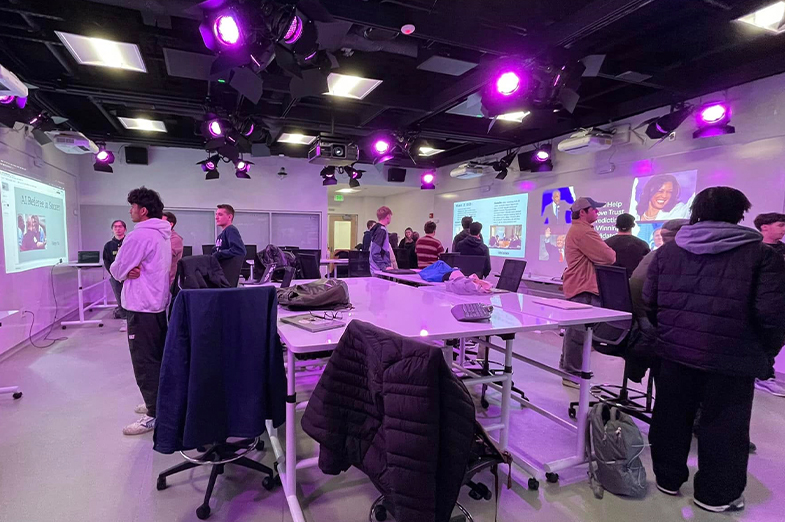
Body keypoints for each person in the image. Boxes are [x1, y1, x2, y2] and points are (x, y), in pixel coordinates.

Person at [643, 187, 785, 513]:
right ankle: (715, 496)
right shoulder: (762, 256)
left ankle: (667, 478)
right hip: (732, 358)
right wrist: (765, 354)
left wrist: (668, 335)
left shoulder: (667, 253)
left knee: (671, 416)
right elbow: (772, 315)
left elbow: (649, 302)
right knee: (725, 425)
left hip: (675, 352)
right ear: (740, 214)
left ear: (697, 211)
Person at [109, 187, 172, 436]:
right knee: (157, 358)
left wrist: (125, 271)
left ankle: (154, 414)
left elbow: (117, 269)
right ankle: (156, 403)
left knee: (144, 362)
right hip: (157, 305)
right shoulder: (163, 234)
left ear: (143, 210)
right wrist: (129, 269)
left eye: (133, 207)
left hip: (141, 306)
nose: (130, 211)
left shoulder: (138, 236)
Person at [560, 197, 616, 387]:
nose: (598, 213)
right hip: (584, 287)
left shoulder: (578, 230)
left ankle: (568, 369)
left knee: (575, 332)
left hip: (579, 285)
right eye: (595, 210)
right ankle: (572, 373)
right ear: (583, 212)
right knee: (579, 333)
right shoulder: (584, 232)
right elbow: (609, 257)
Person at [752, 212, 785, 397]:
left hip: (779, 305)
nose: (783, 230)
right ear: (765, 227)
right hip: (759, 304)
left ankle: (763, 374)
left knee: (775, 340)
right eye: (780, 225)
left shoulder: (782, 250)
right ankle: (762, 375)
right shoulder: (752, 251)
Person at [605, 213, 651, 277]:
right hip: (633, 283)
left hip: (610, 281)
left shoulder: (605, 244)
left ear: (616, 226)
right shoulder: (643, 245)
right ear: (633, 225)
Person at [103, 219, 128, 328]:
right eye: (115, 227)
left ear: (125, 229)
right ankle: (124, 320)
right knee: (120, 299)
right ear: (112, 230)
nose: (118, 229)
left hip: (129, 277)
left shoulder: (129, 242)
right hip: (115, 278)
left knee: (130, 299)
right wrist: (115, 275)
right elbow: (107, 261)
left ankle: (131, 322)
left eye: (120, 226)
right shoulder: (108, 245)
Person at [162, 211, 184, 287]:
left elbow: (164, 256)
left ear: (170, 224)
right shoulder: (159, 237)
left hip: (168, 281)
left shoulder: (175, 239)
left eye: (162, 222)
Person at [369, 206, 394, 271]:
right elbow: (375, 252)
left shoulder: (376, 229)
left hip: (375, 267)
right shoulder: (381, 230)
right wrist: (384, 267)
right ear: (388, 216)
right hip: (379, 269)